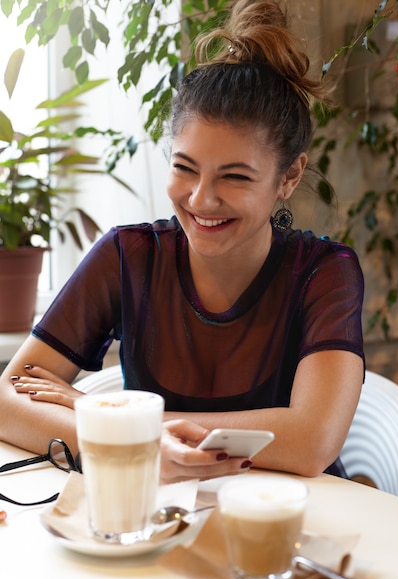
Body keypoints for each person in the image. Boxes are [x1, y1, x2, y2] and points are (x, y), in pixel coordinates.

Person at [0, 0, 364, 484]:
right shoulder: (128, 256)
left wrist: (118, 420)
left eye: (234, 177)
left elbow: (312, 442)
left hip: (293, 518)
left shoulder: (325, 271)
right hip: (160, 510)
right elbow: (8, 401)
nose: (200, 199)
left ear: (289, 176)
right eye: (184, 167)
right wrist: (140, 446)